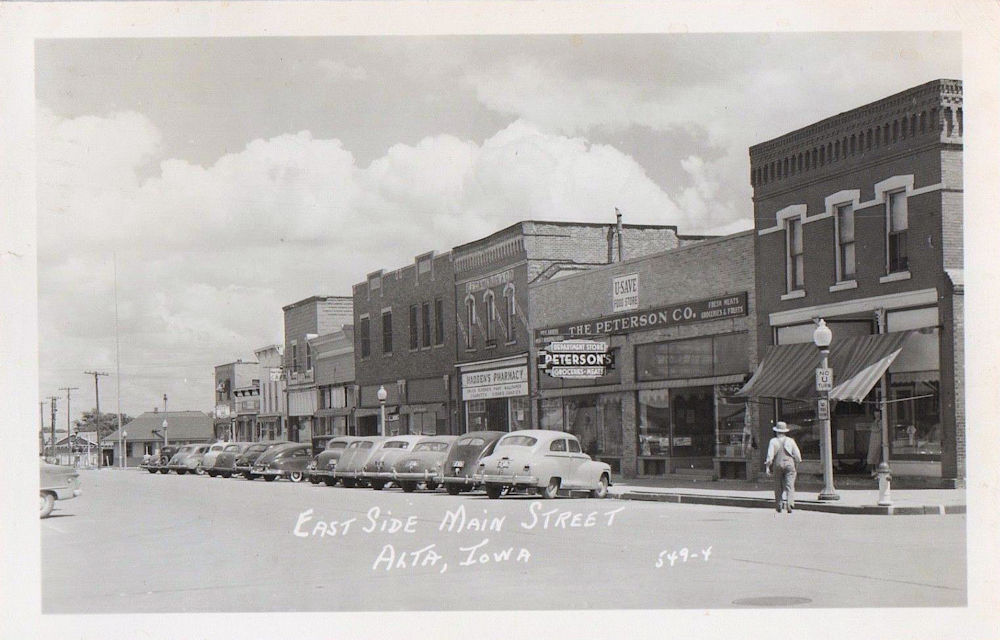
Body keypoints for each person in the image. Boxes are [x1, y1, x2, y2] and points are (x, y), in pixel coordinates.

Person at [764, 422, 802, 513]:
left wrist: (767, 467)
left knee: (778, 485)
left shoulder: (773, 441)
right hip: (789, 464)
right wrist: (796, 464)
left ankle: (779, 505)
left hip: (778, 464)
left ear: (776, 431)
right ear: (785, 431)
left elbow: (770, 456)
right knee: (790, 485)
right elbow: (798, 456)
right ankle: (790, 504)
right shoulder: (790, 441)